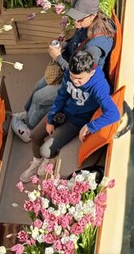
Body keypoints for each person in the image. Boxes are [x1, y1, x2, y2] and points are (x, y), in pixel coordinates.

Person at [11, 0, 115, 143]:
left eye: (79, 19)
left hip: (78, 83)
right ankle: (28, 115)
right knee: (38, 86)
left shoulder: (94, 48)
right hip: (69, 67)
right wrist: (64, 44)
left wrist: (58, 57)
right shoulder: (90, 23)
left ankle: (29, 128)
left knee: (40, 98)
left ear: (92, 16)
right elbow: (77, 40)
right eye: (74, 16)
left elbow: (78, 74)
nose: (75, 22)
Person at [21, 50, 120, 182]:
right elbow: (61, 96)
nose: (75, 81)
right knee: (35, 135)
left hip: (76, 121)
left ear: (91, 73)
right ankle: (36, 163)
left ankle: (49, 158)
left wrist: (90, 126)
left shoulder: (99, 87)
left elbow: (114, 113)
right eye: (73, 77)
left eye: (79, 79)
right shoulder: (70, 73)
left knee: (46, 151)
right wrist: (51, 119)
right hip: (63, 112)